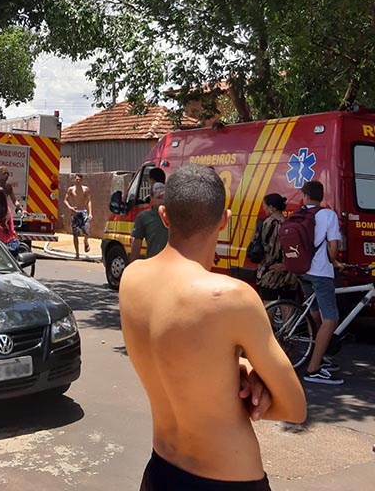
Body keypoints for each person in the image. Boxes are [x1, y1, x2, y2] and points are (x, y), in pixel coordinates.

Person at [120, 164, 305, 490]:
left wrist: (241, 365)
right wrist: (252, 382)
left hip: (161, 469)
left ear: (164, 215)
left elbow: (182, 356)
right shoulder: (231, 297)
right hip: (227, 478)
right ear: (224, 219)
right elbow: (293, 407)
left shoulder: (132, 279)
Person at [297, 181, 344, 384]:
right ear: (322, 196)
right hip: (321, 273)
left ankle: (315, 354)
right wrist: (334, 262)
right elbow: (333, 246)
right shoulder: (328, 215)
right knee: (330, 320)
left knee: (315, 314)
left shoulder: (298, 215)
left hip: (301, 270)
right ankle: (313, 369)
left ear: (305, 196)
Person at [256, 193, 299, 302]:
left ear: (271, 207)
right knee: (288, 305)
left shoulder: (268, 223)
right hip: (289, 272)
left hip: (271, 270)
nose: (263, 208)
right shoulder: (291, 223)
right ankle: (289, 320)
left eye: (264, 206)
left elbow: (264, 245)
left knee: (269, 305)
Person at [128, 182, 167, 263]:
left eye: (165, 197)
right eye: (159, 197)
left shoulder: (176, 215)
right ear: (152, 198)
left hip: (174, 265)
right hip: (154, 263)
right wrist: (133, 265)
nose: (163, 200)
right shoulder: (144, 217)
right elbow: (136, 244)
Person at [64, 174, 93, 259]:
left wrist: (90, 213)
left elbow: (89, 201)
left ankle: (85, 241)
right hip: (75, 213)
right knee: (75, 234)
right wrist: (70, 207)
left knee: (87, 232)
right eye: (76, 179)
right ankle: (77, 254)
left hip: (83, 212)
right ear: (74, 180)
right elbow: (65, 200)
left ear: (81, 180)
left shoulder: (85, 189)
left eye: (79, 180)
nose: (78, 181)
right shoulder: (71, 189)